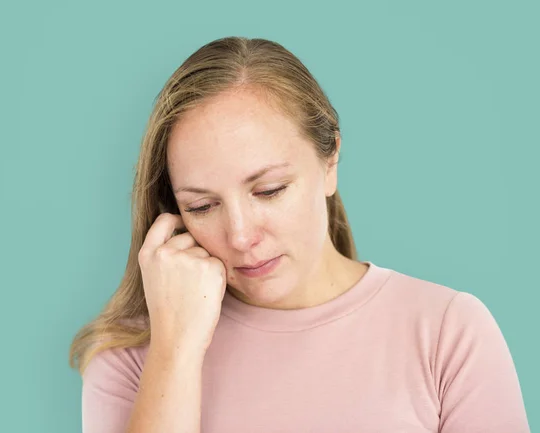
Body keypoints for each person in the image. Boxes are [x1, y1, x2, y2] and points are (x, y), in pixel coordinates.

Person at [69, 36, 530, 433]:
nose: (242, 235)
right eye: (203, 206)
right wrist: (176, 349)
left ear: (329, 163)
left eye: (269, 190)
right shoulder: (132, 356)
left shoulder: (447, 332)